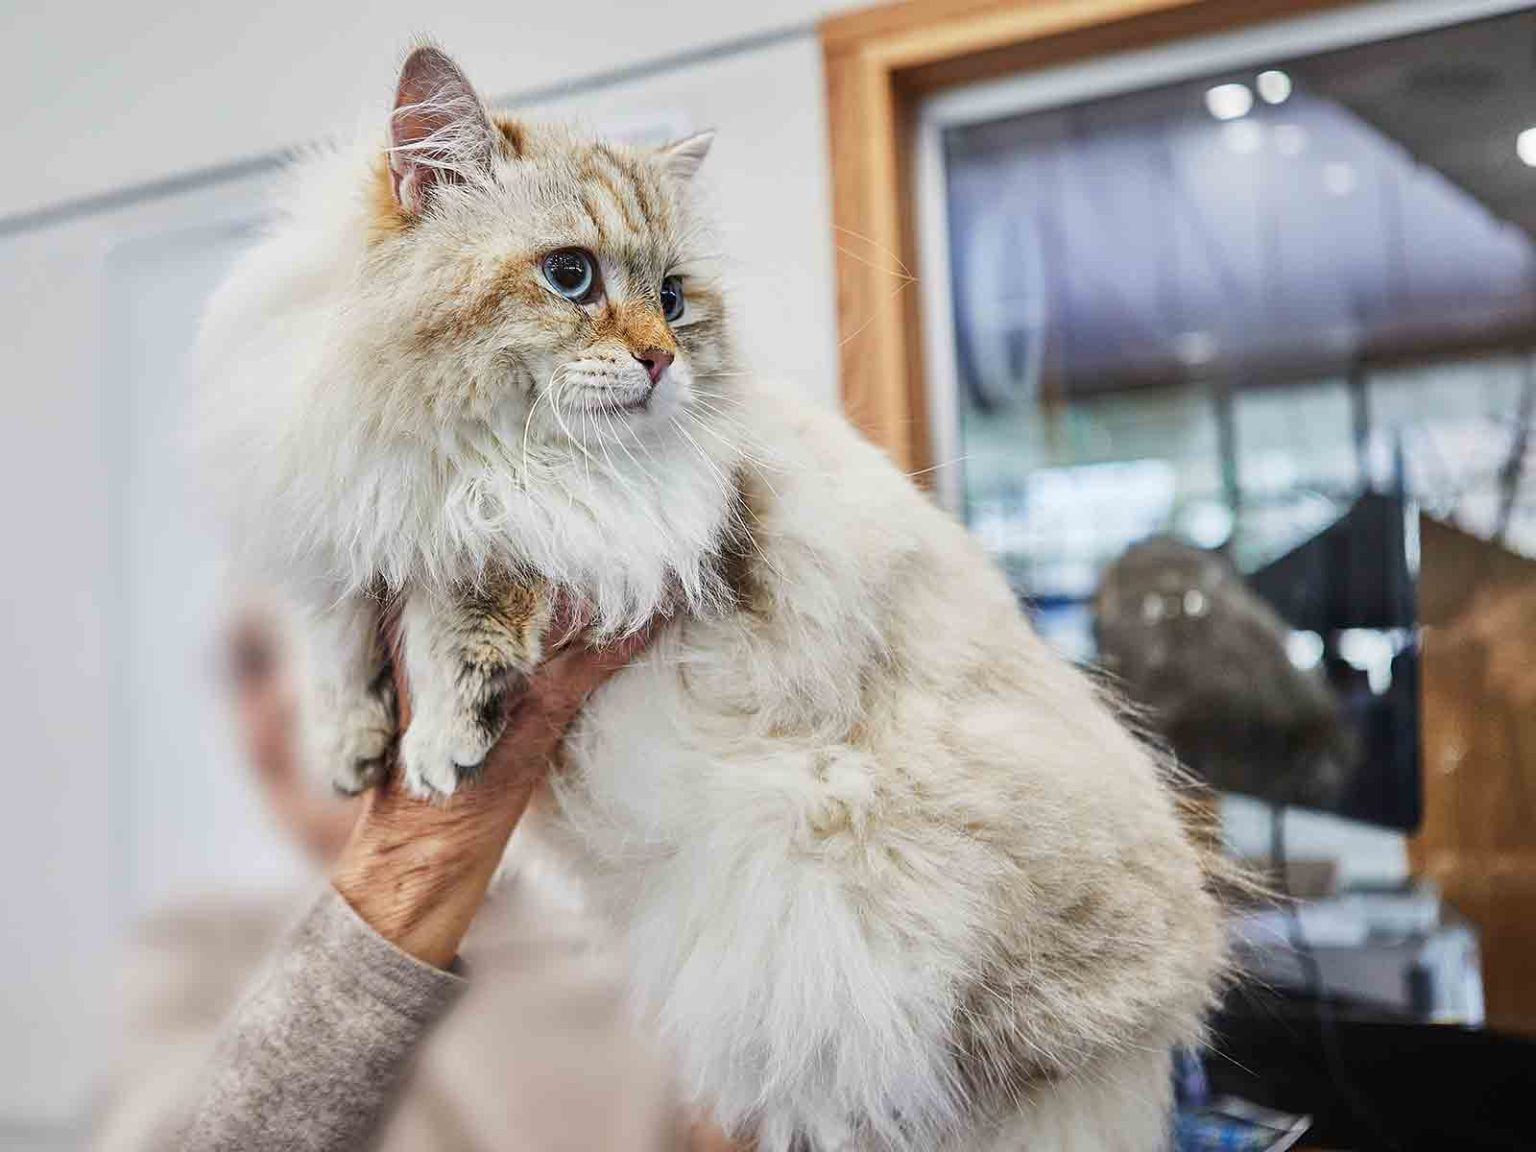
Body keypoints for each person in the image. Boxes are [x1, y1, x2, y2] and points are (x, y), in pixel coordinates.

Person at [95, 611, 736, 1151]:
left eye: (348, 627)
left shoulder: (667, 958)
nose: (290, 696)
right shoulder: (198, 948)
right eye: (254, 662)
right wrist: (426, 840)